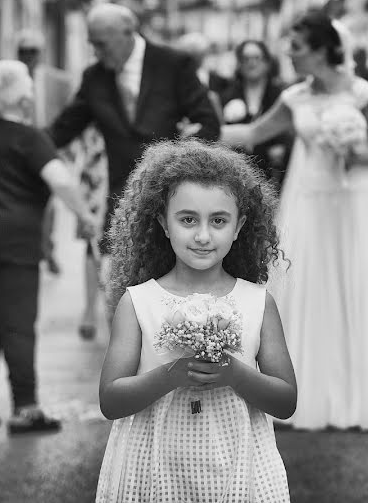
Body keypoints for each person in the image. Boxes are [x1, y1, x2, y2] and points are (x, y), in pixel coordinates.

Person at [222, 10, 368, 430]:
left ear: (322, 51)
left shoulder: (362, 93)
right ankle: (306, 392)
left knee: (354, 286)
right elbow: (253, 133)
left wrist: (353, 152)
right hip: (308, 198)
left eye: (296, 47)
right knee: (306, 285)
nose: (288, 54)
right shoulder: (295, 97)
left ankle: (361, 397)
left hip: (354, 201)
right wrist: (199, 128)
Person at [96, 139, 295, 501]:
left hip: (237, 467)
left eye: (218, 221)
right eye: (188, 219)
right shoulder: (139, 302)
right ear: (163, 222)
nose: (203, 235)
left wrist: (234, 374)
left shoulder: (257, 303)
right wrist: (172, 374)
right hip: (153, 468)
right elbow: (111, 400)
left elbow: (285, 400)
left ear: (239, 226)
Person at [0, 60, 98, 434]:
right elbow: (60, 179)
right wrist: (85, 214)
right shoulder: (30, 138)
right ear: (23, 96)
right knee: (18, 324)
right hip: (14, 238)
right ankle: (25, 408)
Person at [48, 3, 220, 324]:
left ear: (128, 32)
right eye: (92, 43)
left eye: (101, 42)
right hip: (118, 193)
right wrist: (18, 145)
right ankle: (127, 345)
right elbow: (63, 129)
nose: (96, 51)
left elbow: (207, 122)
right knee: (122, 278)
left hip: (169, 191)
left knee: (166, 273)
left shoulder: (174, 64)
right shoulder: (94, 77)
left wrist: (184, 163)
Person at [15, 29, 61, 276]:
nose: (28, 56)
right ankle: (31, 249)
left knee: (49, 204)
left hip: (46, 145)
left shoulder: (52, 81)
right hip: (18, 149)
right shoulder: (12, 77)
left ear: (41, 54)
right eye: (23, 51)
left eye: (33, 51)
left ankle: (47, 248)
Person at [220, 39, 292, 189]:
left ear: (267, 62)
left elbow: (288, 128)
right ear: (239, 64)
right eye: (246, 59)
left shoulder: (280, 94)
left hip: (273, 171)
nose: (251, 63)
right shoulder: (227, 95)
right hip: (236, 170)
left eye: (256, 58)